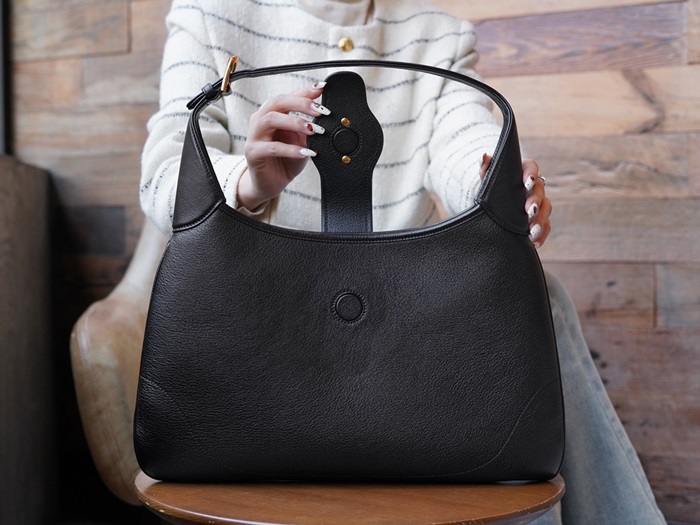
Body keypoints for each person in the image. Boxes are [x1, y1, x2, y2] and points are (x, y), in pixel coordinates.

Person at [139, 1, 667, 523]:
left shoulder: (440, 34)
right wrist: (249, 181)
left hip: (412, 327)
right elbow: (166, 174)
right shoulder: (209, 15)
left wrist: (496, 181)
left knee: (534, 295)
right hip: (257, 327)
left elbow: (463, 138)